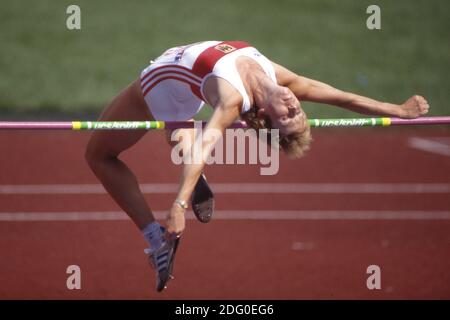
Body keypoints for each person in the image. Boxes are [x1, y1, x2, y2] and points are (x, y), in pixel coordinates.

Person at [84, 40, 429, 292]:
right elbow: (342, 97)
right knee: (182, 133)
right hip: (184, 83)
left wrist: (178, 205)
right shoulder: (282, 81)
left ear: (265, 117)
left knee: (98, 156)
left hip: (160, 80)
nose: (295, 106)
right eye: (299, 113)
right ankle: (189, 171)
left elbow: (208, 144)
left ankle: (155, 235)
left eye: (288, 116)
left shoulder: (234, 99)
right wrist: (395, 109)